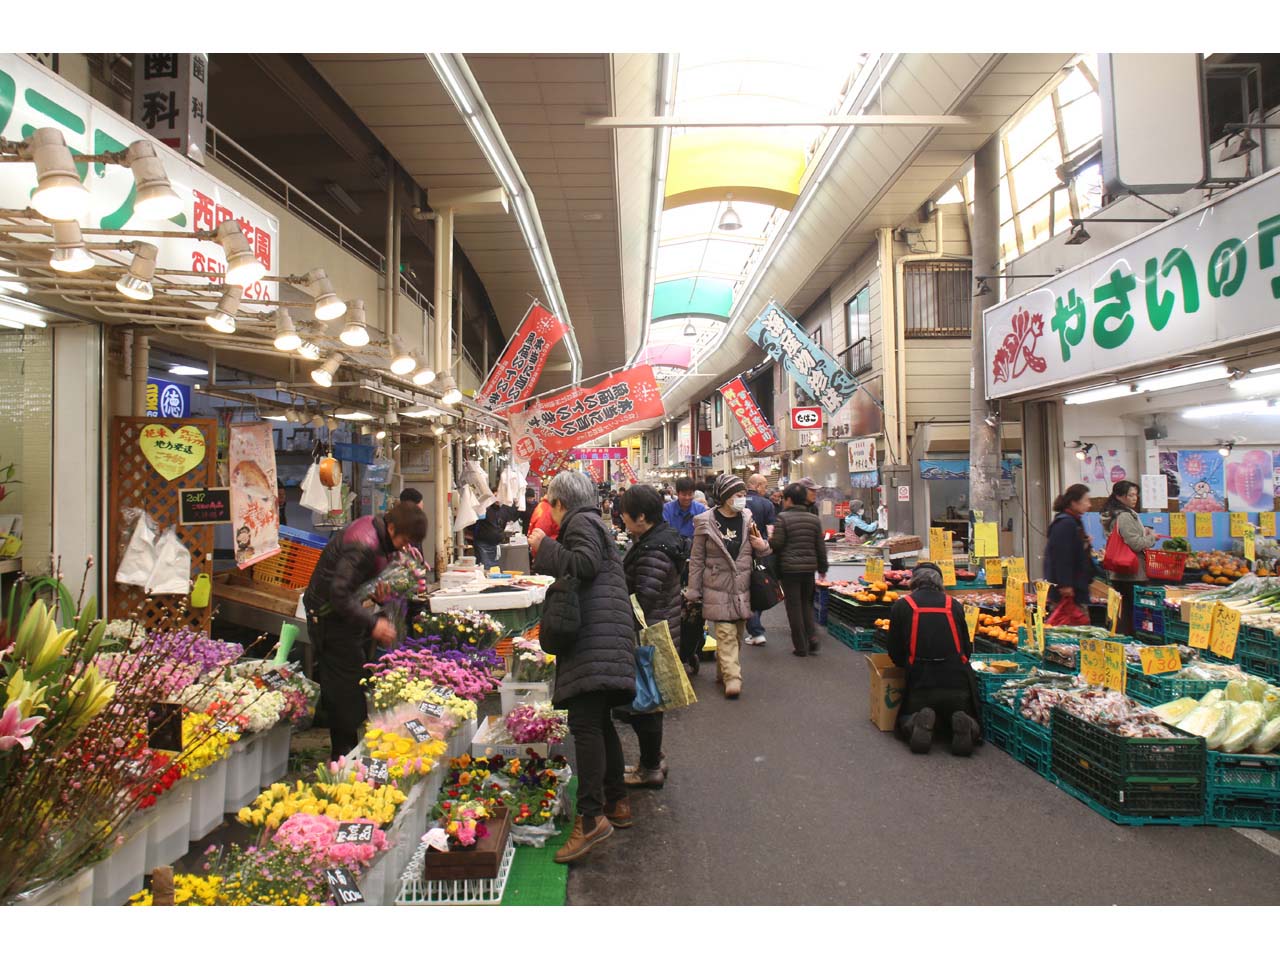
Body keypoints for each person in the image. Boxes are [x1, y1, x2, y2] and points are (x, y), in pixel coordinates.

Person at [529, 470, 636, 863]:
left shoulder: (580, 522)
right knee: (599, 720)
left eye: (550, 506)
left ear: (560, 503)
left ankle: (591, 820)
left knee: (586, 724)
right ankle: (615, 799)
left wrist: (544, 547)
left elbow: (584, 565)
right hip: (606, 633)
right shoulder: (593, 522)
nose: (550, 515)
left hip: (596, 636)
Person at [303, 502, 427, 760]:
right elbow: (338, 593)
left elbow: (358, 583)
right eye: (405, 539)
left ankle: (351, 747)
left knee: (354, 677)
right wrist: (373, 624)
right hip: (327, 616)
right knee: (344, 685)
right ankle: (342, 755)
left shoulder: (381, 536)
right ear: (392, 527)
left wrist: (379, 594)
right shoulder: (363, 543)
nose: (406, 546)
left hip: (345, 614)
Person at [619, 484, 684, 789]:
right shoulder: (657, 538)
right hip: (660, 628)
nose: (622, 518)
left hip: (651, 634)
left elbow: (642, 598)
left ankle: (649, 768)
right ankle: (654, 759)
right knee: (648, 703)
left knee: (645, 704)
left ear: (641, 517)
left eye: (626, 514)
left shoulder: (653, 549)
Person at [687, 474, 770, 699]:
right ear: (724, 497)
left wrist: (762, 545)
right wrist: (693, 590)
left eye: (744, 495)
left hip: (742, 586)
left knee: (737, 634)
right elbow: (696, 559)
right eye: (738, 495)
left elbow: (761, 549)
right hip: (716, 585)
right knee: (724, 633)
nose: (743, 499)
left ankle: (723, 671)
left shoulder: (747, 518)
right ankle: (733, 678)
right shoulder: (705, 521)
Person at [887, 563, 981, 756]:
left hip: (921, 681)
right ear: (940, 583)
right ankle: (965, 723)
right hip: (957, 682)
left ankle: (915, 722)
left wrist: (904, 666)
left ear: (913, 582)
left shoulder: (902, 606)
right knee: (961, 714)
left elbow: (894, 650)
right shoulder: (953, 605)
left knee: (903, 720)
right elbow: (966, 648)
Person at [770, 482, 829, 657]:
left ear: (788, 500)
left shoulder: (782, 518)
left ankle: (801, 646)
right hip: (809, 570)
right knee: (807, 605)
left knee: (794, 607)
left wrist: (769, 540)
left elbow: (777, 544)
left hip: (789, 570)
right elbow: (820, 546)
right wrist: (823, 568)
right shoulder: (814, 519)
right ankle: (812, 637)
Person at [1100, 480, 1158, 636]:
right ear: (1120, 496)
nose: (1135, 498)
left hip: (1121, 571)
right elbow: (1136, 544)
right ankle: (1129, 643)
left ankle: (1123, 640)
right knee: (1130, 613)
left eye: (1136, 495)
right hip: (1132, 572)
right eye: (1130, 495)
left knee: (1123, 612)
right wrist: (1152, 538)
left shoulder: (1113, 514)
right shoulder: (1124, 516)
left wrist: (1141, 531)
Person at [1045, 484, 1096, 626]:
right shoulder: (1065, 524)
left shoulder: (1073, 522)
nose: (1089, 505)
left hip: (1075, 588)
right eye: (1086, 500)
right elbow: (1062, 557)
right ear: (1074, 502)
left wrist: (1084, 543)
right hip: (1069, 591)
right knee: (1071, 631)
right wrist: (1065, 585)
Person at [743, 474, 778, 646]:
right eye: (764, 486)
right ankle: (756, 630)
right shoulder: (767, 504)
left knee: (745, 588)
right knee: (759, 587)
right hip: (761, 552)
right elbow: (771, 533)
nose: (765, 489)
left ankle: (754, 629)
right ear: (757, 486)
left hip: (741, 553)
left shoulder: (739, 501)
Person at [468, 501, 521, 569]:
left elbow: (512, 517)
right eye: (495, 495)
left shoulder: (505, 508)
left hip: (497, 545)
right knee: (485, 569)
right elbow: (471, 523)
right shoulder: (483, 507)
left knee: (495, 571)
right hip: (482, 544)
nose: (498, 499)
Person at [662, 477, 707, 545]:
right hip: (672, 548)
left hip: (695, 549)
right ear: (677, 493)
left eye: (690, 494)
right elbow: (664, 533)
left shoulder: (700, 509)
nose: (687, 497)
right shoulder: (667, 509)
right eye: (684, 494)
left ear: (694, 493)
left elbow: (704, 534)